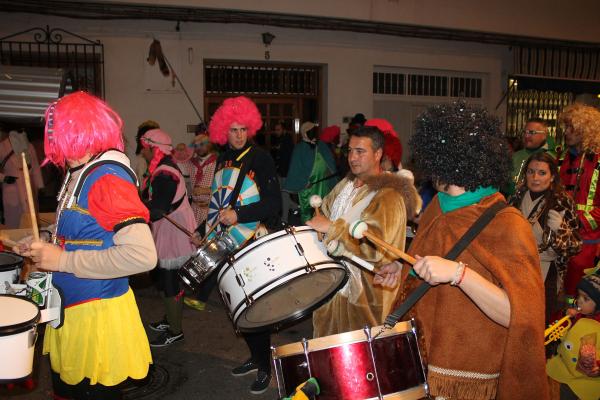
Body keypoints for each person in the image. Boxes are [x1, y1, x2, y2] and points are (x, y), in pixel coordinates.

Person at [376, 102, 549, 399]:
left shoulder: (507, 223)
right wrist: (404, 268)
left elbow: (519, 316)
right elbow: (430, 261)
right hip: (420, 363)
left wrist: (458, 274)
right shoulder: (438, 205)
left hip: (469, 379)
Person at [15, 91, 157, 399]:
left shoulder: (107, 178)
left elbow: (143, 256)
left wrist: (62, 260)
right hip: (72, 308)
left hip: (97, 318)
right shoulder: (78, 171)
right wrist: (45, 242)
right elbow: (87, 231)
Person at [306, 125, 421, 337]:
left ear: (378, 154)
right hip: (332, 291)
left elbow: (378, 251)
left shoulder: (389, 195)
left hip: (363, 302)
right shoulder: (346, 184)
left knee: (361, 366)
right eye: (350, 150)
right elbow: (323, 215)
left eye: (360, 151)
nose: (352, 157)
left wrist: (332, 228)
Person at [206, 96, 281, 395]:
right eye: (232, 130)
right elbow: (218, 200)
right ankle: (255, 356)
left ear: (251, 129)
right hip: (227, 243)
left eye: (242, 129)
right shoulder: (222, 159)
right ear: (223, 131)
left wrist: (240, 214)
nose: (238, 135)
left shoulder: (260, 158)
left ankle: (265, 366)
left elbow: (274, 203)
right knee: (236, 304)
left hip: (254, 240)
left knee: (256, 307)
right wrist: (207, 229)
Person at [509, 152, 582, 322]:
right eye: (530, 171)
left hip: (545, 274)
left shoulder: (561, 201)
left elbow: (576, 246)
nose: (535, 177)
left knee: (536, 324)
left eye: (542, 173)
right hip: (513, 269)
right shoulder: (516, 198)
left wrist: (561, 229)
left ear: (552, 177)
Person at [140, 128, 196, 347]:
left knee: (170, 279)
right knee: (164, 278)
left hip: (174, 231)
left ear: (154, 149)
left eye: (145, 148)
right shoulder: (162, 169)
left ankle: (175, 330)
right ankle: (170, 319)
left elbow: (157, 209)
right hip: (167, 228)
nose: (142, 152)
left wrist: (134, 210)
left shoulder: (165, 173)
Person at [558, 103, 600, 296]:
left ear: (585, 129)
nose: (566, 132)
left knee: (580, 296)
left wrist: (579, 221)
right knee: (562, 291)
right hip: (563, 236)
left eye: (570, 127)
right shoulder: (567, 157)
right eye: (565, 127)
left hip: (589, 243)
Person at [547, 271, 600, 400]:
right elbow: (553, 325)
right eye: (579, 296)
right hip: (560, 367)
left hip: (584, 382)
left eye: (585, 299)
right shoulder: (574, 312)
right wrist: (564, 314)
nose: (579, 302)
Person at [183, 132, 217, 312]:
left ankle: (204, 293)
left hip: (211, 212)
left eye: (202, 143)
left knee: (210, 251)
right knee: (196, 249)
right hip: (194, 210)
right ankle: (197, 285)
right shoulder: (191, 163)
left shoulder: (218, 163)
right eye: (196, 144)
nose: (199, 147)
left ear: (209, 144)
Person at [284, 121, 338, 223]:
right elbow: (296, 168)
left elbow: (330, 163)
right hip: (308, 187)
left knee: (324, 208)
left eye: (314, 131)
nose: (314, 133)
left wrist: (330, 173)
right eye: (311, 131)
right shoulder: (299, 148)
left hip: (323, 184)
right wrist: (303, 182)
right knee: (308, 211)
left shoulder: (321, 145)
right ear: (305, 133)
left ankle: (322, 229)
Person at [0, 127, 44, 228]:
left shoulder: (29, 146)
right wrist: (4, 178)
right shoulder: (2, 146)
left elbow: (35, 166)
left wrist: (39, 185)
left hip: (29, 186)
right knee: (13, 219)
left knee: (31, 219)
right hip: (12, 188)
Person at [508, 117, 556, 196]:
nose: (526, 136)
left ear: (544, 135)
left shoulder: (551, 157)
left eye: (531, 132)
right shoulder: (516, 156)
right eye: (525, 132)